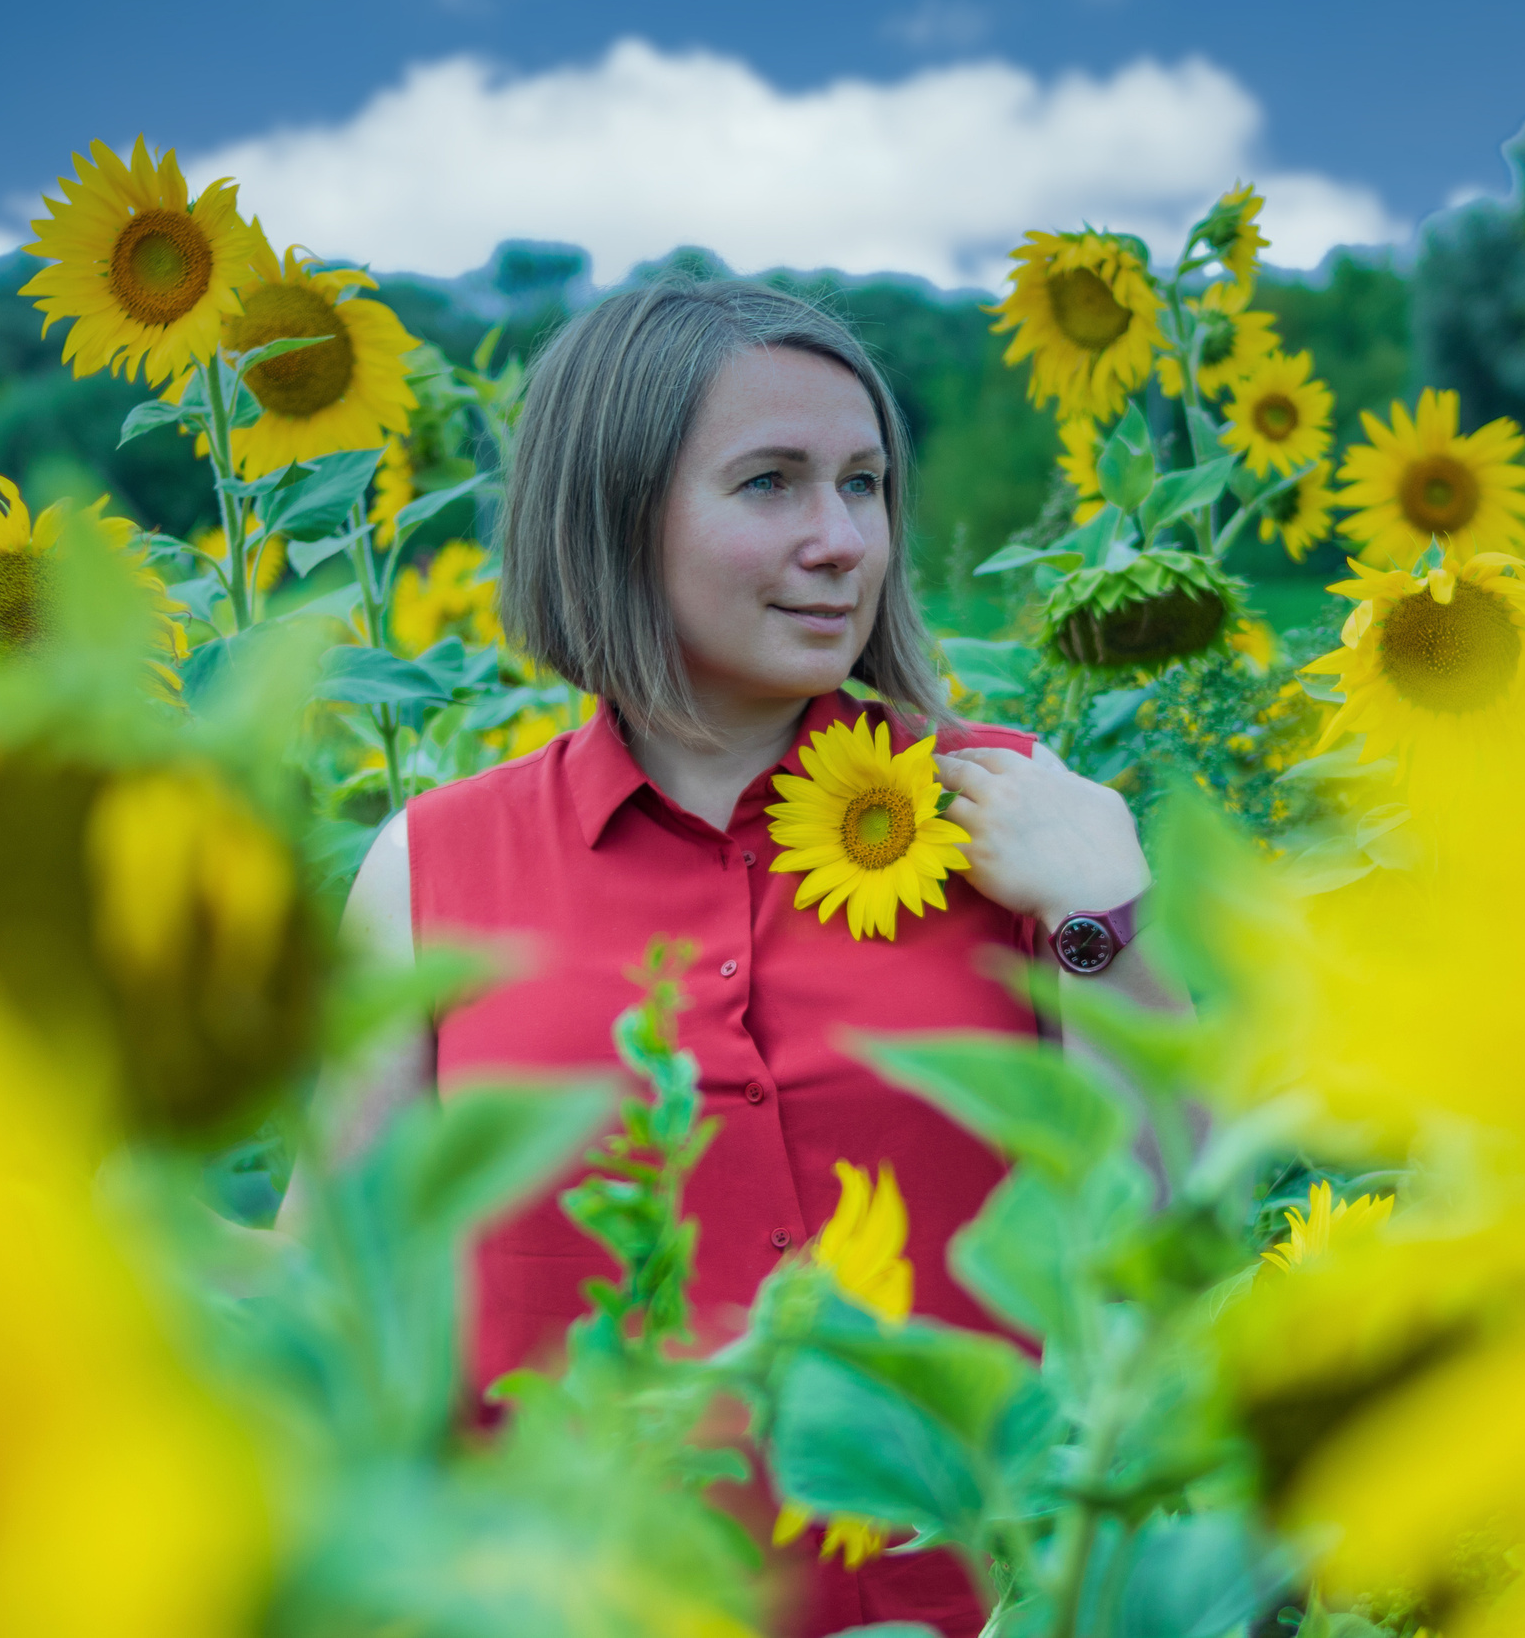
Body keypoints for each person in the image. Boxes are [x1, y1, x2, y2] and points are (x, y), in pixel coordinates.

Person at [313, 277, 1168, 1637]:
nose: (843, 541)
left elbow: (1163, 1246)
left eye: (864, 484)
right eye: (771, 484)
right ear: (614, 511)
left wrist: (1103, 923)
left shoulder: (1010, 815)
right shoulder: (433, 870)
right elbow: (342, 1320)